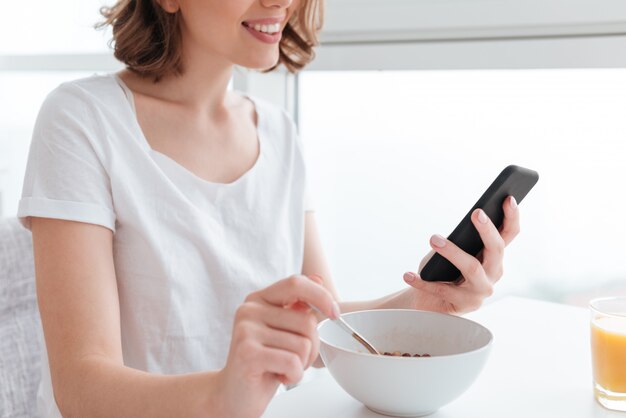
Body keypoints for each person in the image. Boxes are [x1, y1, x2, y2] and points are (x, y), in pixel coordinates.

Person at [18, 0, 521, 416]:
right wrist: (223, 394)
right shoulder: (82, 119)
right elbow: (80, 387)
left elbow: (322, 325)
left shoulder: (277, 131)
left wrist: (424, 302)